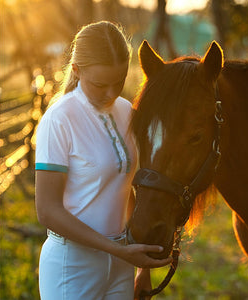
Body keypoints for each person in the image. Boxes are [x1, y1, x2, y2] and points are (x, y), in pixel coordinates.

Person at [35, 21, 172, 300]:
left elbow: (127, 188)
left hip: (122, 262)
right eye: (100, 84)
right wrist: (118, 250)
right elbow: (47, 210)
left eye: (119, 82)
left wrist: (139, 267)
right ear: (76, 70)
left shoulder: (127, 112)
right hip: (72, 266)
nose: (111, 93)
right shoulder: (59, 119)